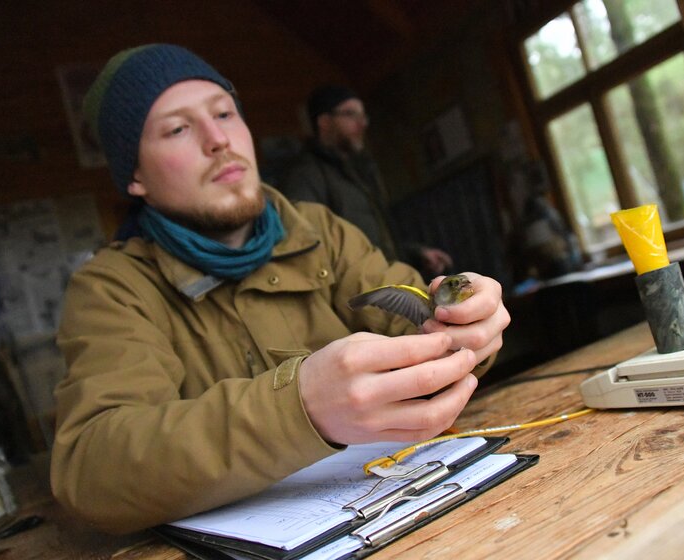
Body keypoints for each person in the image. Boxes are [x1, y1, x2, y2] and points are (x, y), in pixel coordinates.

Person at [50, 44, 510, 535]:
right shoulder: (112, 290)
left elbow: (418, 320)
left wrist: (467, 323)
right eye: (178, 128)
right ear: (135, 176)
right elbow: (92, 470)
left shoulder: (319, 230)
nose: (217, 140)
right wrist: (301, 408)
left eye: (225, 113)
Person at [281, 85, 453, 278]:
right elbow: (310, 246)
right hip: (359, 297)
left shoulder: (361, 171)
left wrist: (416, 253)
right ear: (324, 122)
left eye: (363, 116)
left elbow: (375, 239)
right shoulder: (305, 175)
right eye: (350, 114)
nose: (362, 123)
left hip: (386, 287)